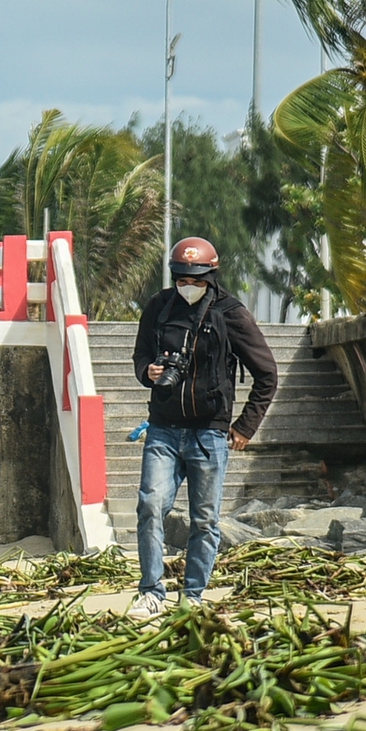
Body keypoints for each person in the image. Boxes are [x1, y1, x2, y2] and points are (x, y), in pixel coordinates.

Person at [128, 237, 278, 618]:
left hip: (209, 434)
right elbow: (141, 353)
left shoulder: (231, 313)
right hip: (162, 430)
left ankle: (192, 595)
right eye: (181, 278)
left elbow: (267, 374)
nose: (187, 286)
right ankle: (151, 592)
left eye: (196, 280)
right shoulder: (159, 308)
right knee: (149, 506)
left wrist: (245, 427)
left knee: (205, 519)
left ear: (211, 276)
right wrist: (148, 371)